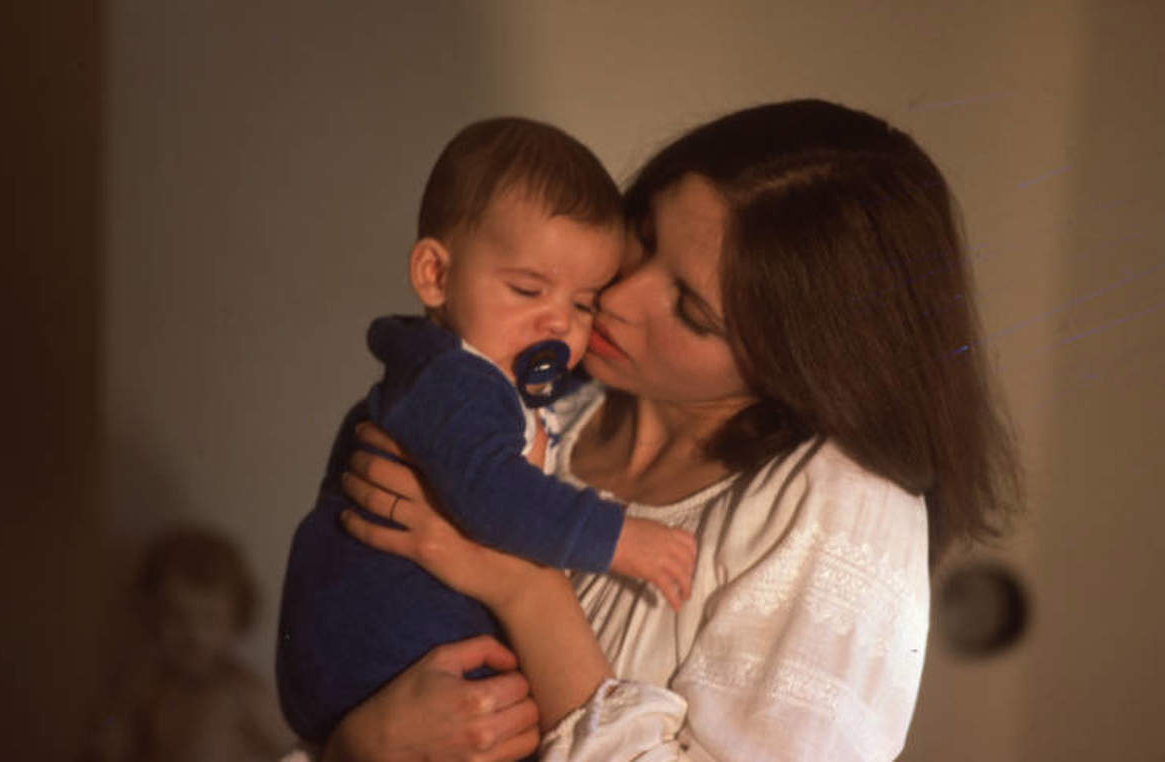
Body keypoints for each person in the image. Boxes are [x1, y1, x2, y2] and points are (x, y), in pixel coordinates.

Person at [319, 99, 1023, 761]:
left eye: (691, 310)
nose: (616, 299)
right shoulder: (533, 400)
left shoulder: (842, 509)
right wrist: (357, 745)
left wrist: (526, 587)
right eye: (643, 237)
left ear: (804, 359)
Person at [276, 118, 699, 743]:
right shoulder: (450, 380)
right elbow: (493, 496)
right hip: (376, 658)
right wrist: (619, 540)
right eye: (528, 289)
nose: (557, 324)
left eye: (583, 304)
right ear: (435, 276)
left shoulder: (495, 373)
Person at [78, 525, 295, 762]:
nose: (193, 634)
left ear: (236, 620)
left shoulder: (243, 693)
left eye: (209, 619)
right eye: (175, 616)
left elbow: (292, 749)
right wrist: (109, 728)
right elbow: (110, 735)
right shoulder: (145, 686)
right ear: (152, 616)